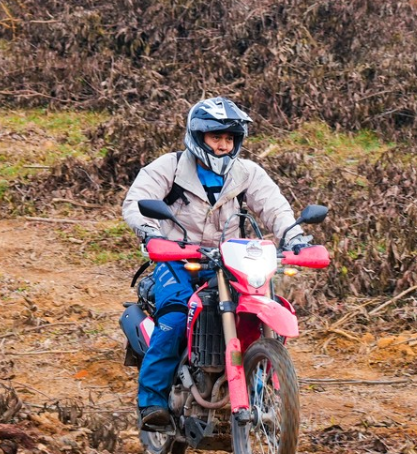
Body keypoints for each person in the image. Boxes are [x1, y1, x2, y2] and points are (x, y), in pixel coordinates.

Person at [120, 96, 313, 433]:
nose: (223, 146)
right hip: (178, 259)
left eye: (229, 139)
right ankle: (151, 401)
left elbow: (275, 209)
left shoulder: (247, 173)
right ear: (199, 137)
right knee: (177, 319)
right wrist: (152, 234)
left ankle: (260, 390)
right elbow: (136, 202)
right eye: (216, 138)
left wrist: (295, 238)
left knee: (260, 312)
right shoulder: (170, 168)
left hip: (232, 260)